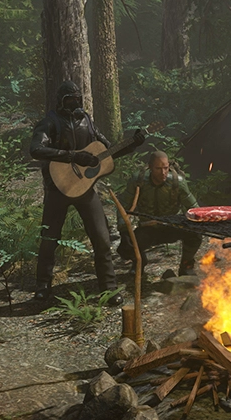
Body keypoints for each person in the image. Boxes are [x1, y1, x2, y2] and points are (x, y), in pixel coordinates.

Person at [29, 80, 144, 305]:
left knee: (102, 239)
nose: (75, 103)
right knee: (49, 239)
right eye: (69, 99)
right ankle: (43, 287)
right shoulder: (50, 122)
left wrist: (132, 144)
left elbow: (108, 151)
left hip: (86, 190)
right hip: (57, 188)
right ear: (61, 101)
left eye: (77, 99)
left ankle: (109, 288)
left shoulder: (87, 122)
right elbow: (36, 149)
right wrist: (72, 156)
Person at [116, 151, 203, 277]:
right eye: (158, 168)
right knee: (126, 247)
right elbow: (123, 205)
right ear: (150, 167)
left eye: (166, 168)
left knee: (195, 234)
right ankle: (139, 263)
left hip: (172, 226)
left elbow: (194, 208)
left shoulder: (177, 182)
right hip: (148, 229)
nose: (163, 173)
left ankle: (186, 265)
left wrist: (200, 223)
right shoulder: (138, 181)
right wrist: (124, 230)